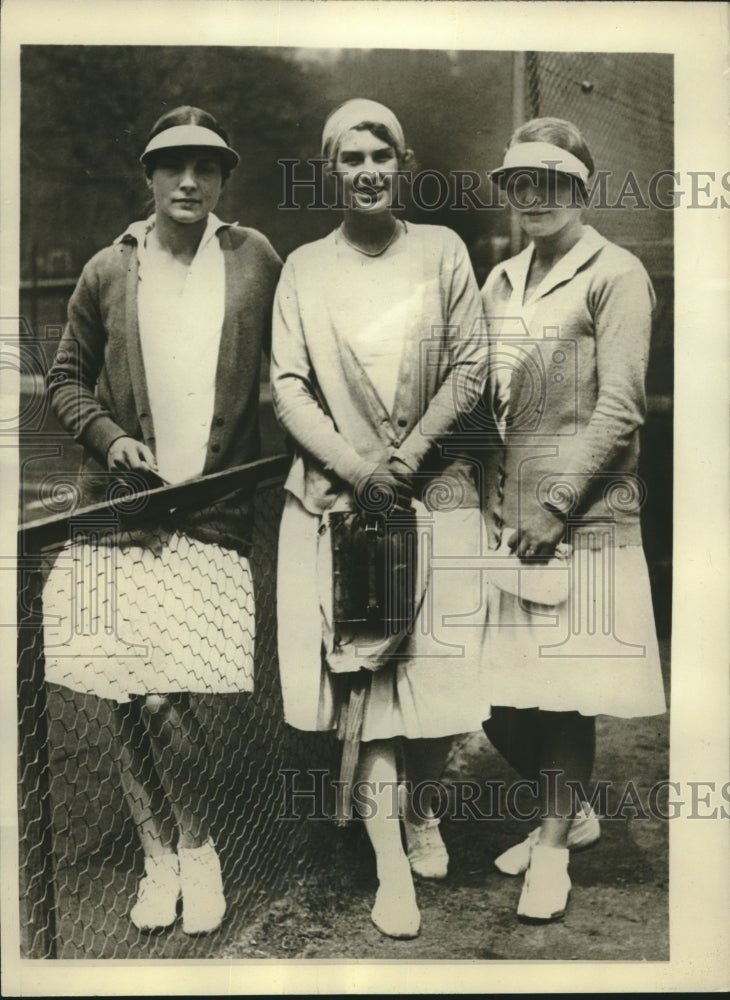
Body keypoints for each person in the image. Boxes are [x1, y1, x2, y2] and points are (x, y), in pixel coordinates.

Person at [43, 106, 282, 935]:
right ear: (147, 176)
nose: (188, 181)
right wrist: (111, 440)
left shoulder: (254, 260)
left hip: (209, 512)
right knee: (123, 692)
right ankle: (157, 860)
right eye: (171, 165)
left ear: (223, 179)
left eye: (205, 167)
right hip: (118, 514)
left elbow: (293, 366)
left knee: (167, 702)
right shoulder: (109, 269)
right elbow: (66, 381)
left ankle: (199, 846)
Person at [271, 98, 494, 940]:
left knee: (435, 691)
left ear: (402, 165)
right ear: (331, 170)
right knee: (367, 692)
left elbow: (470, 366)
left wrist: (405, 464)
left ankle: (422, 810)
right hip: (341, 508)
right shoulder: (303, 268)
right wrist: (362, 471)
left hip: (433, 499)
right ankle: (389, 868)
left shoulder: (442, 252)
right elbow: (289, 387)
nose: (367, 170)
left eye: (381, 156)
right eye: (350, 158)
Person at [480, 117, 667, 922]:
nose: (537, 194)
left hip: (582, 520)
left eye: (554, 178)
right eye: (522, 180)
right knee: (492, 699)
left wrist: (558, 506)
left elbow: (621, 410)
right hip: (504, 517)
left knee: (562, 696)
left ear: (581, 187)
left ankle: (553, 846)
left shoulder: (616, 273)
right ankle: (573, 809)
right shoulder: (499, 281)